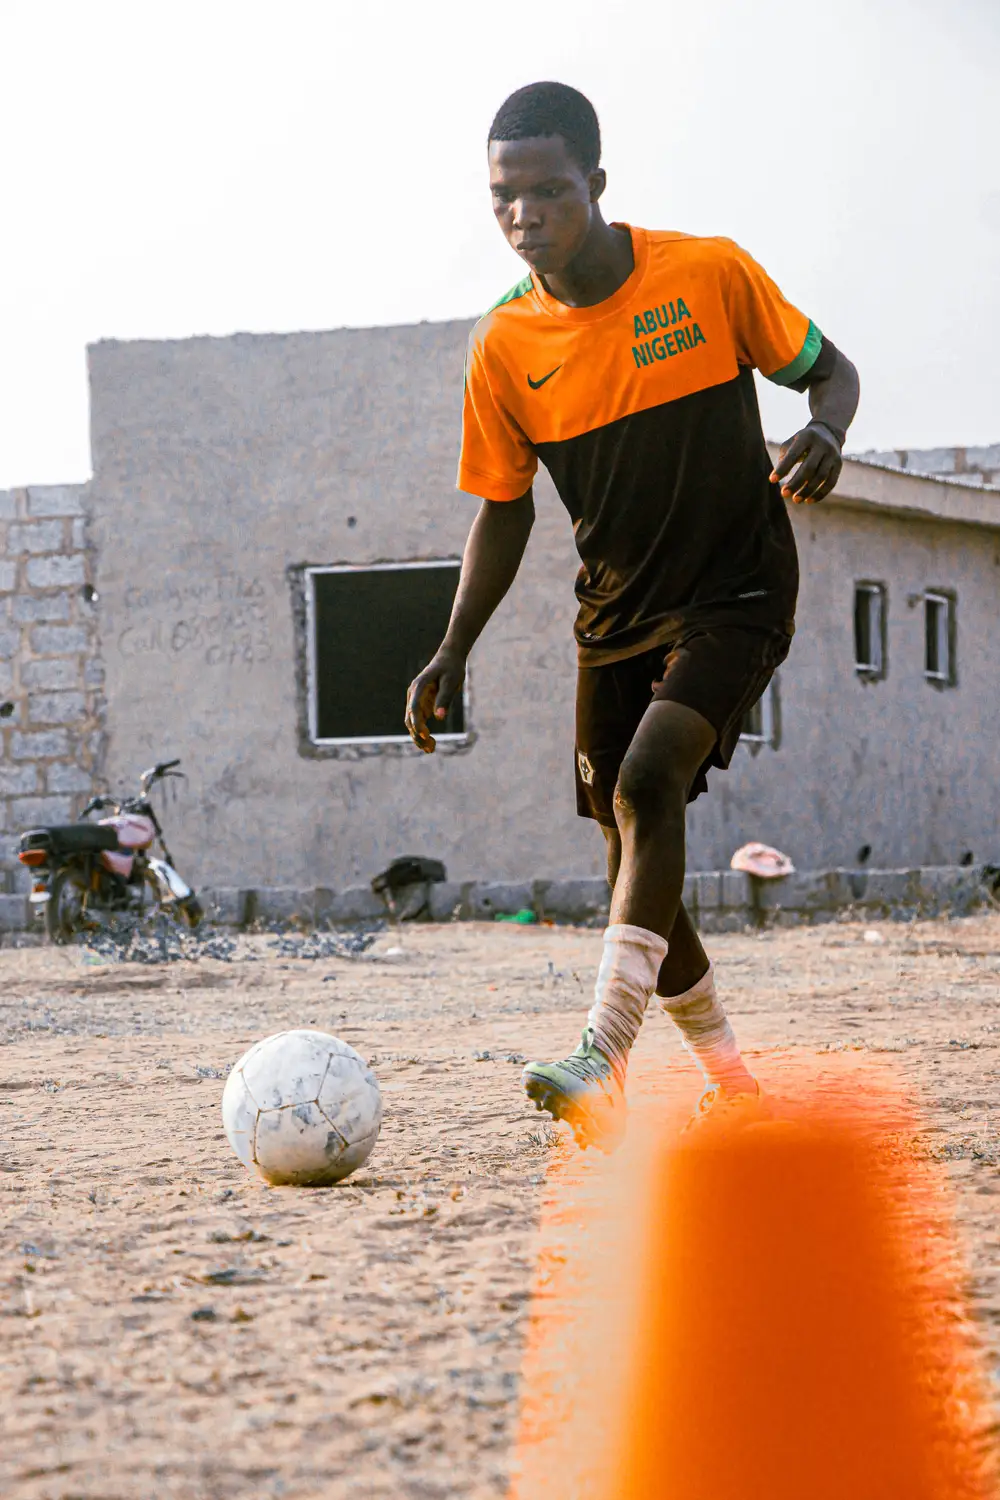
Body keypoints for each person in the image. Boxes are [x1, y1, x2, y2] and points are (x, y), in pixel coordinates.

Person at [405, 81, 860, 1150]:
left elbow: (826, 371)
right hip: (613, 614)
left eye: (548, 192)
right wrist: (451, 646)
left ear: (596, 187)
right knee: (632, 854)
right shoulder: (503, 347)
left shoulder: (706, 276)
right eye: (503, 197)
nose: (525, 216)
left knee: (646, 785)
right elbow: (502, 511)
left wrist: (827, 430)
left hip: (737, 588)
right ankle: (735, 1082)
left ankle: (599, 1059)